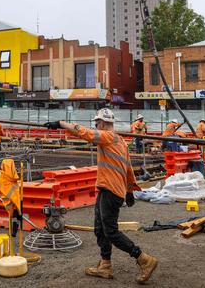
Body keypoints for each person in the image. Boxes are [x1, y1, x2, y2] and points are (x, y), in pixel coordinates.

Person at [45, 108, 158, 284]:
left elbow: (85, 133)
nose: (95, 126)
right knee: (99, 228)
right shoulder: (120, 141)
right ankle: (105, 265)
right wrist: (129, 190)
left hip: (111, 191)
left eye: (97, 123)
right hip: (109, 190)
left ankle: (144, 259)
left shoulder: (107, 136)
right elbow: (128, 168)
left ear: (103, 124)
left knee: (111, 231)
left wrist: (60, 124)